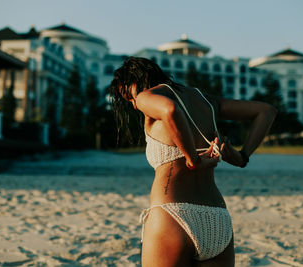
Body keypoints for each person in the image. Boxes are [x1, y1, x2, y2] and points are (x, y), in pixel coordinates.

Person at [110, 57, 277, 267]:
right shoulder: (205, 100)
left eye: (129, 97)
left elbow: (170, 109)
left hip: (173, 216)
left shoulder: (147, 96)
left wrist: (192, 159)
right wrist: (242, 156)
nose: (134, 105)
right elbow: (266, 111)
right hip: (217, 219)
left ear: (136, 82)